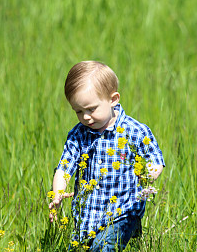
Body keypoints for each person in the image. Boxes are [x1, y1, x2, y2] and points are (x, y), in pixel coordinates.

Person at [49, 61, 165, 251]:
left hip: (122, 213)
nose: (85, 117)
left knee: (104, 248)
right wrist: (58, 192)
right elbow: (64, 167)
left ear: (113, 99)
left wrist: (146, 175)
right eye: (78, 111)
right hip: (86, 219)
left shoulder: (133, 131)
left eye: (91, 109)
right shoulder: (78, 135)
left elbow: (155, 159)